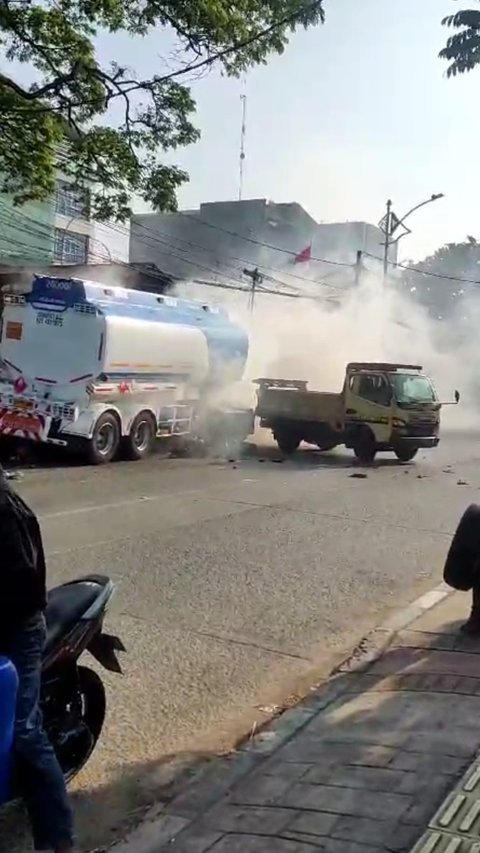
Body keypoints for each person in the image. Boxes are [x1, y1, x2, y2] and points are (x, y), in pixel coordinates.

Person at [0, 466, 74, 853]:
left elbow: (23, 589)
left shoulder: (5, 510)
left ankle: (57, 839)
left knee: (23, 733)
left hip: (16, 629)